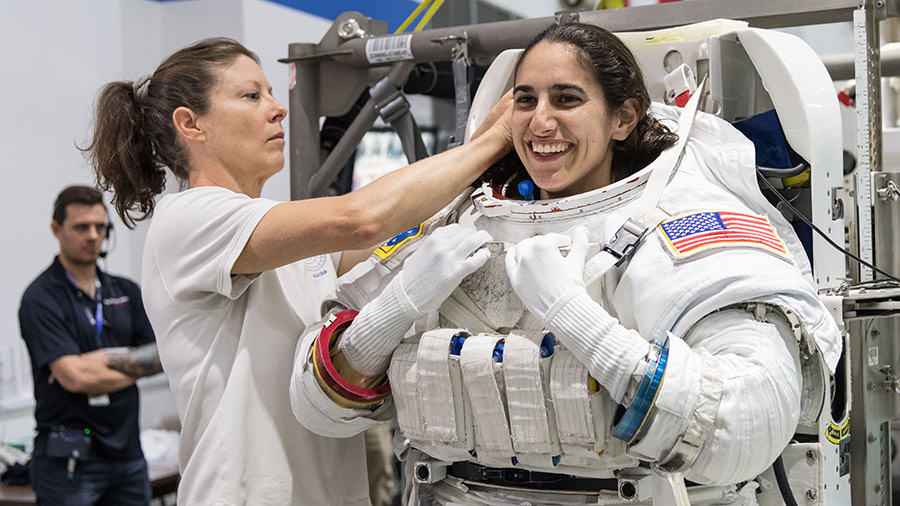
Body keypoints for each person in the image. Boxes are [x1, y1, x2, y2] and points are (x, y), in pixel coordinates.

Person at [290, 23, 842, 505]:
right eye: (526, 100)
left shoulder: (680, 213)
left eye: (567, 99)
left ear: (623, 118)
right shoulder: (461, 224)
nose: (540, 122)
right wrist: (398, 304)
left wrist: (573, 313)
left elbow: (746, 418)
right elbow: (315, 407)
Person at [83, 37, 512, 506]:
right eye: (252, 96)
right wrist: (490, 144)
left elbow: (389, 241)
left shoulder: (277, 232)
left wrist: (482, 161)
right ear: (191, 124)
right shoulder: (188, 219)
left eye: (271, 92)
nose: (277, 109)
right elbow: (360, 218)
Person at [19, 185, 163, 506]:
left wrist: (96, 361)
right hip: (70, 458)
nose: (93, 236)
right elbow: (76, 378)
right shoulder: (41, 298)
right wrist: (132, 364)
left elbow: (161, 357)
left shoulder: (125, 291)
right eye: (82, 227)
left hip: (127, 454)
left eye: (100, 227)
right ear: (57, 229)